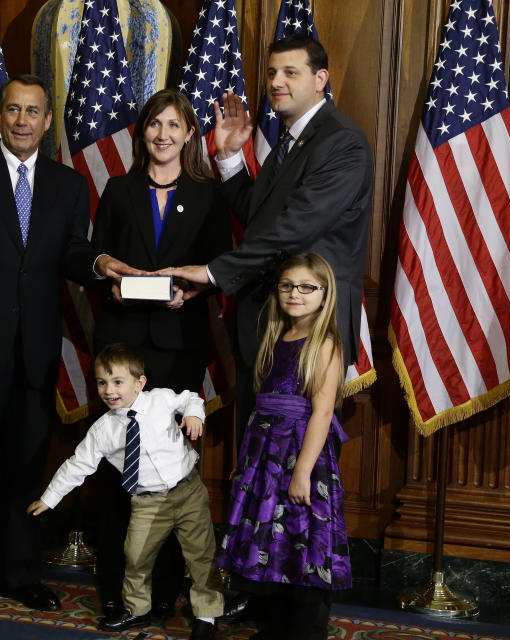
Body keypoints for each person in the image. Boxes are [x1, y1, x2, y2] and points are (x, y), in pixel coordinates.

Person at [0, 74, 135, 623]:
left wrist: (101, 265)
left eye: (33, 111)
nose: (22, 120)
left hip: (34, 357)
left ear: (47, 119)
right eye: (13, 109)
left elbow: (73, 256)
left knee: (23, 474)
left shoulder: (67, 183)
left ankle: (19, 575)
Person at [160, 33, 373, 443]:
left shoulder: (342, 142)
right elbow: (261, 219)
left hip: (311, 328)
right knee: (258, 470)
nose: (277, 81)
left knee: (299, 475)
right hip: (266, 326)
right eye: (273, 72)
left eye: (291, 72)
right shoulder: (290, 144)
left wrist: (213, 272)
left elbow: (295, 228)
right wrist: (228, 156)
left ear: (320, 79)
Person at [89, 88, 231, 621]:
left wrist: (195, 289)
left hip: (177, 350)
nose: (163, 135)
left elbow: (220, 267)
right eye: (154, 125)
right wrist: (111, 281)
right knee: (121, 469)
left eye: (174, 125)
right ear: (142, 131)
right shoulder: (118, 190)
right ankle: (118, 593)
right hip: (122, 348)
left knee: (170, 474)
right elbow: (97, 257)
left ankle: (168, 590)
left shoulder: (208, 195)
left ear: (191, 133)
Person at [28, 343, 224, 640]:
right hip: (147, 501)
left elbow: (190, 398)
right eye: (102, 382)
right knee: (136, 556)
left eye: (118, 382)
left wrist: (196, 415)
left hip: (188, 492)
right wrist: (49, 498)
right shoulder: (103, 429)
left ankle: (207, 615)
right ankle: (136, 609)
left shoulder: (159, 400)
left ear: (139, 382)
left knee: (201, 554)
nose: (109, 390)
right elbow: (77, 465)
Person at [218, 252, 350, 640]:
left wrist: (303, 472)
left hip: (299, 453)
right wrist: (247, 461)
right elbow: (260, 407)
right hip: (265, 452)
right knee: (271, 539)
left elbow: (322, 415)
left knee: (301, 535)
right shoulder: (277, 334)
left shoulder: (324, 344)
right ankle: (277, 625)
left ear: (325, 294)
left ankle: (306, 630)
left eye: (307, 287)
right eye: (287, 286)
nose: (295, 294)